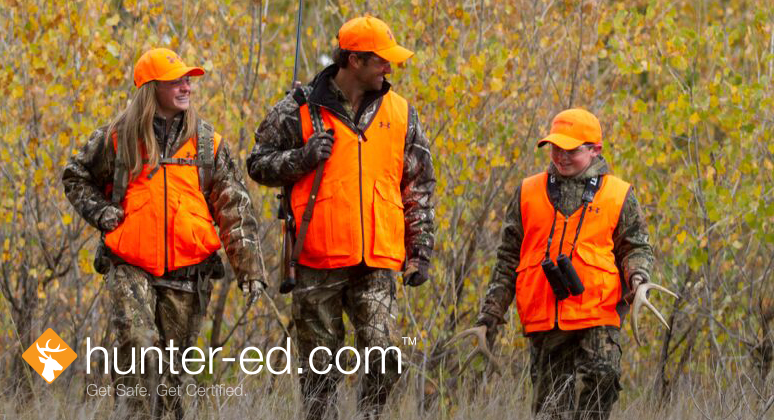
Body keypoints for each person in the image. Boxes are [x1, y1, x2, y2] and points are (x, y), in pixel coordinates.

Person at [247, 16, 435, 420]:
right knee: (319, 377)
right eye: (381, 61)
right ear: (353, 60)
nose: (390, 68)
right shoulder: (298, 108)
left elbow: (418, 184)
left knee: (386, 359)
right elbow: (257, 164)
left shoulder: (402, 113)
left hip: (378, 259)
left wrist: (419, 250)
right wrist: (301, 157)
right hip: (316, 258)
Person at [62, 48, 265, 419]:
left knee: (171, 382)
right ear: (151, 88)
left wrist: (250, 272)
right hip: (130, 265)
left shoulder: (208, 144)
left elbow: (235, 208)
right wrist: (103, 213)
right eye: (176, 81)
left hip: (188, 273)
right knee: (138, 353)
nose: (187, 86)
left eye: (188, 79)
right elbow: (75, 176)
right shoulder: (118, 137)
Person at [476, 109, 654, 419]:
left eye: (571, 150)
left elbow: (636, 246)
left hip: (597, 313)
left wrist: (638, 277)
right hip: (545, 319)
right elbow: (508, 257)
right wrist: (491, 312)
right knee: (549, 409)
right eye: (556, 148)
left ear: (594, 149)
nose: (561, 156)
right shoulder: (528, 192)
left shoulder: (618, 194)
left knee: (603, 378)